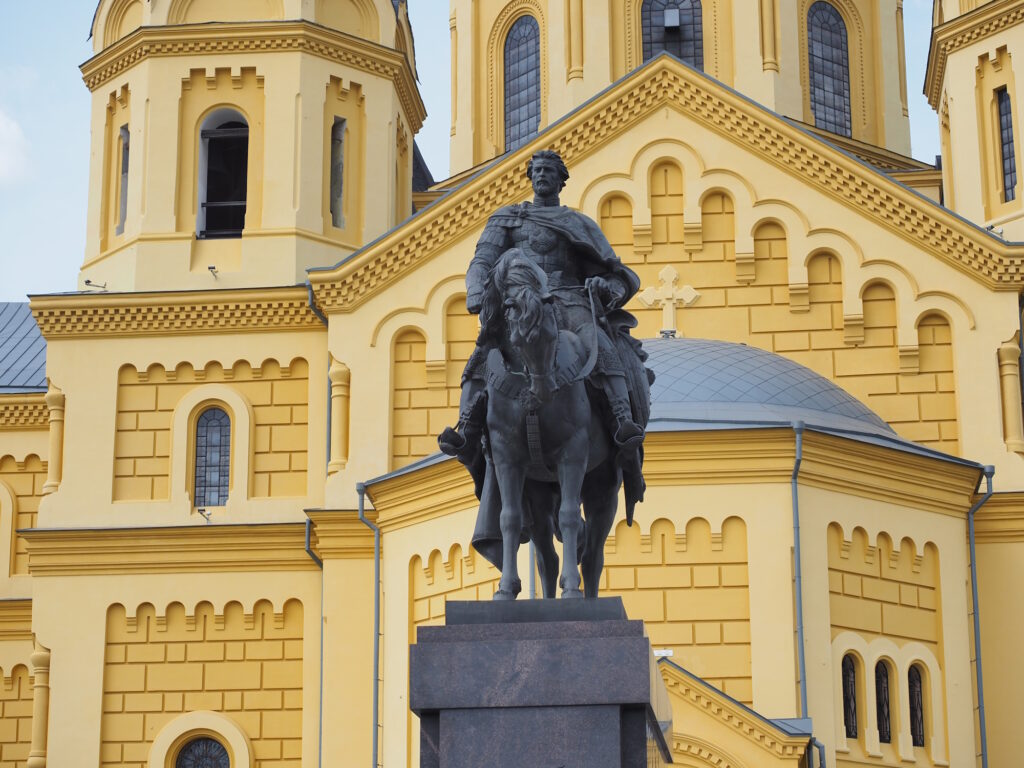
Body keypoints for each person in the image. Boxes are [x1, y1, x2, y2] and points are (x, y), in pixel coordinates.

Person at [438, 149, 647, 461]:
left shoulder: (577, 223)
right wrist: (477, 294)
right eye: (537, 170)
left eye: (549, 170)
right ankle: (466, 422)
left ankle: (621, 417)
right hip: (519, 303)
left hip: (569, 298)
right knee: (485, 352)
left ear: (561, 181)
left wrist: (605, 286)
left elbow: (614, 273)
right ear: (529, 177)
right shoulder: (507, 219)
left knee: (597, 338)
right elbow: (481, 262)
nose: (542, 175)